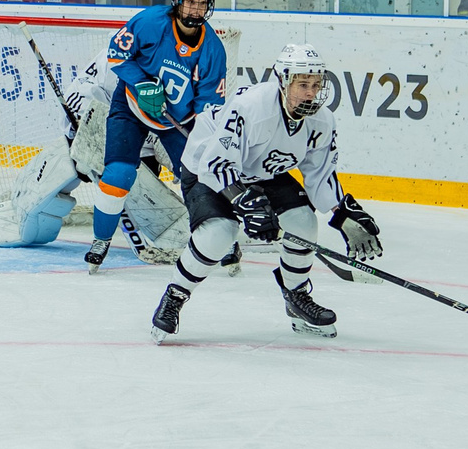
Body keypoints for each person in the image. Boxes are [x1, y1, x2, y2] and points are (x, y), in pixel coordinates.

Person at [150, 43, 382, 342]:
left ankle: (296, 297)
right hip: (207, 169)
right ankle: (174, 298)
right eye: (302, 84)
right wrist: (246, 203)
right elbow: (215, 162)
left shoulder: (322, 121)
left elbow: (320, 173)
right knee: (220, 232)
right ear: (283, 81)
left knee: (303, 221)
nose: (311, 93)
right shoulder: (252, 108)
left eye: (316, 84)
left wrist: (342, 214)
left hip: (262, 172)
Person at [0, 48, 189, 262]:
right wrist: (86, 128)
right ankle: (26, 207)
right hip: (99, 133)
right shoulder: (117, 58)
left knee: (147, 183)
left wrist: (182, 165)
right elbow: (78, 96)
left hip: (141, 145)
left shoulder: (180, 68)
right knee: (69, 163)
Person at [90, 0, 226, 272]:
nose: (195, 9)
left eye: (202, 3)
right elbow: (117, 53)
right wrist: (139, 83)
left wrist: (203, 141)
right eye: (190, 2)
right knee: (119, 173)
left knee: (200, 181)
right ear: (177, 1)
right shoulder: (150, 22)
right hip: (132, 106)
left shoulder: (213, 49)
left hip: (176, 120)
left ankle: (219, 239)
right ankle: (101, 240)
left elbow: (208, 107)